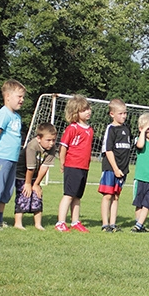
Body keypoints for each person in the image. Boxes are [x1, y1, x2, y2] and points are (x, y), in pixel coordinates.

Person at [0, 80, 25, 230]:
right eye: (19, 96)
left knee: (7, 190)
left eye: (23, 97)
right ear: (7, 96)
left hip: (12, 158)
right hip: (0, 157)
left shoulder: (17, 116)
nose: (22, 100)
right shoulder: (3, 114)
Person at [56, 95, 94, 233]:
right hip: (73, 166)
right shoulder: (72, 128)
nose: (88, 111)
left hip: (84, 167)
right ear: (75, 112)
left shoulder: (90, 129)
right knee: (69, 194)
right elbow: (63, 147)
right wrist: (62, 163)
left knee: (77, 196)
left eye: (88, 108)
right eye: (84, 110)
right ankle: (60, 222)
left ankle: (75, 221)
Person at [14, 123, 57, 230]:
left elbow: (45, 166)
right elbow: (30, 167)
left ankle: (38, 224)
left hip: (35, 174)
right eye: (48, 140)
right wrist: (28, 184)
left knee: (37, 195)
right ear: (39, 138)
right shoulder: (32, 146)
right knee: (24, 195)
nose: (51, 143)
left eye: (53, 140)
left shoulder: (52, 148)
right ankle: (18, 223)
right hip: (22, 174)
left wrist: (36, 184)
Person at [99, 99, 132, 232]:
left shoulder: (126, 129)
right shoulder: (111, 129)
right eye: (120, 113)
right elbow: (108, 150)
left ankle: (113, 224)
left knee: (116, 196)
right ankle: (105, 224)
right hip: (111, 168)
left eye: (125, 113)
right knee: (107, 195)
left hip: (123, 169)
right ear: (112, 114)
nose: (123, 116)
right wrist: (115, 168)